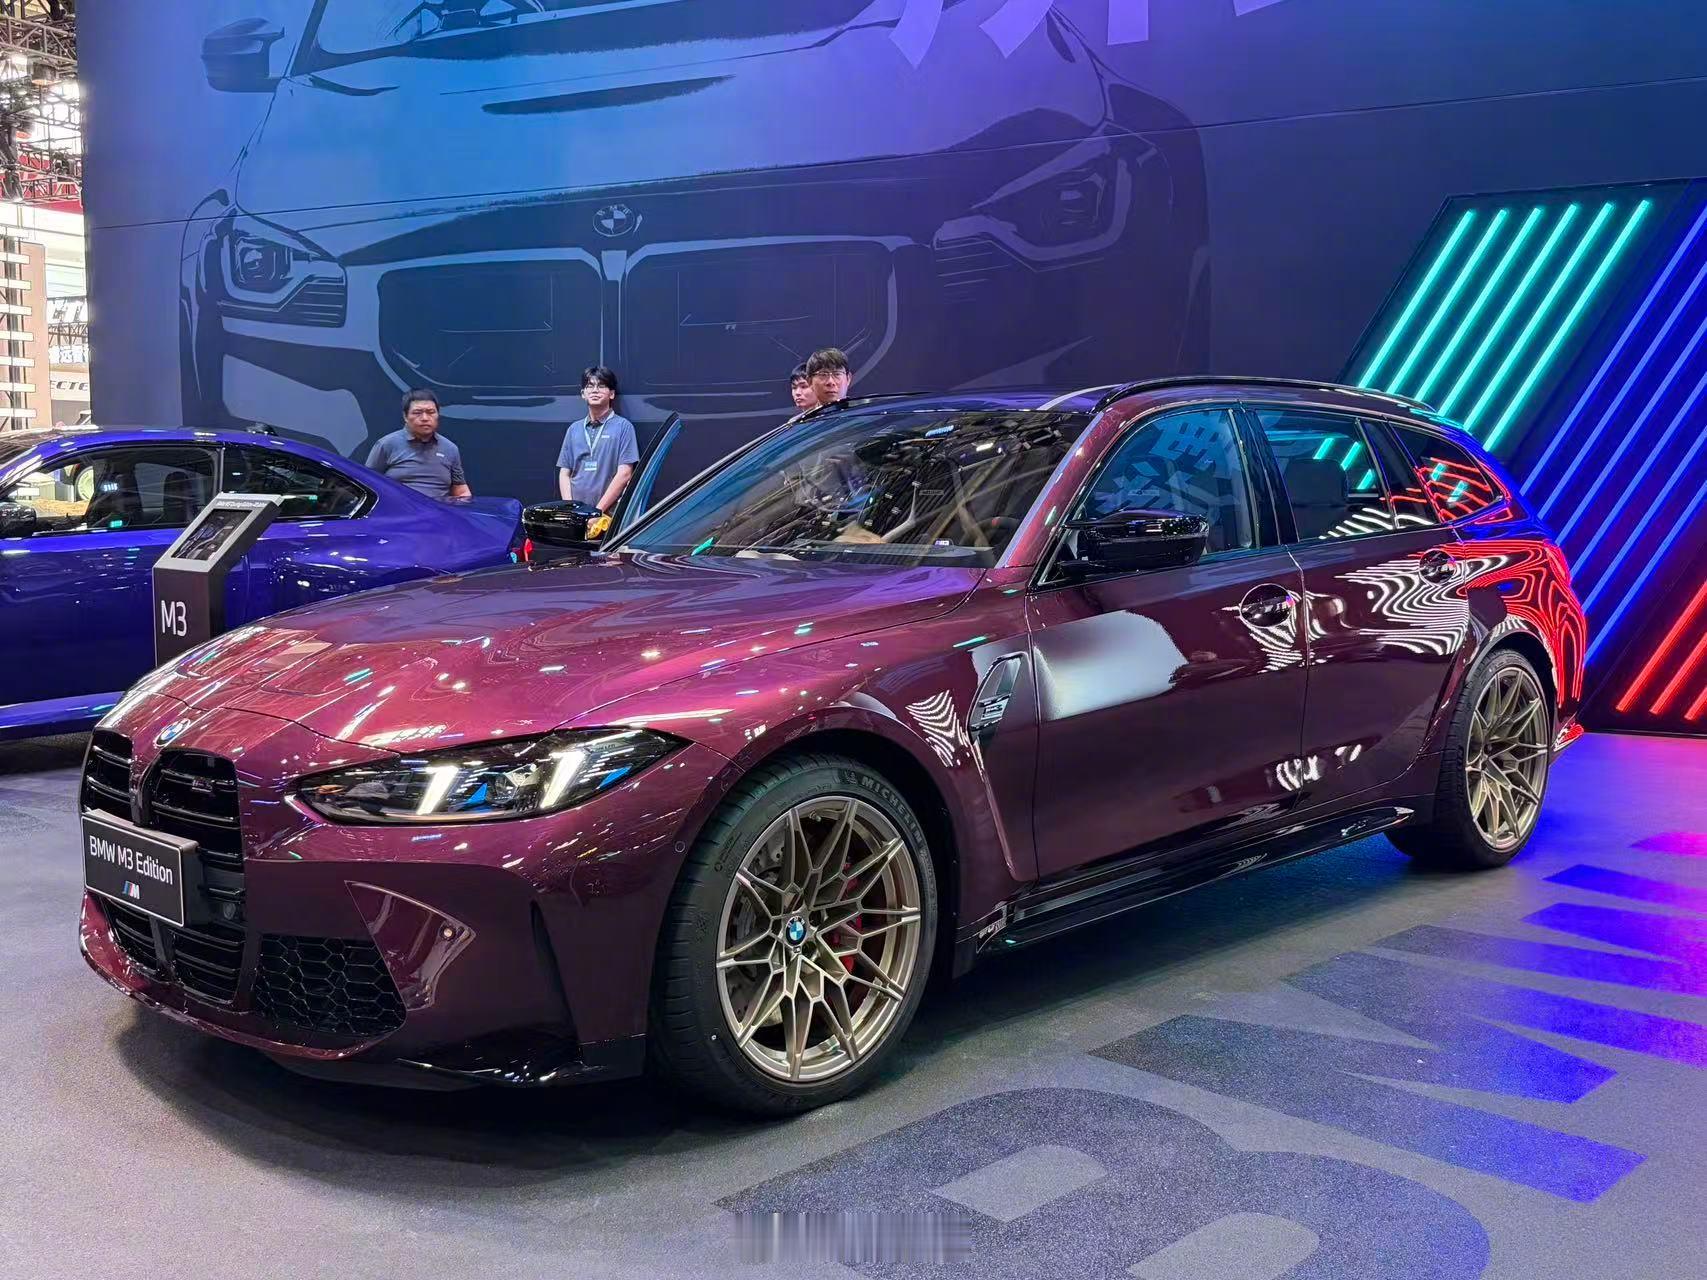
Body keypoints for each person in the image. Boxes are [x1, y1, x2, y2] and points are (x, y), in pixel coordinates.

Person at [557, 365, 639, 512]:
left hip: (607, 515)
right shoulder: (574, 429)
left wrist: (597, 512)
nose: (595, 390)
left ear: (611, 394)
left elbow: (625, 473)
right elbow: (564, 473)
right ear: (583, 393)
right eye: (590, 386)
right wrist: (571, 509)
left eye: (601, 386)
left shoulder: (624, 427)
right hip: (576, 515)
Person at [365, 389, 472, 501]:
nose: (425, 418)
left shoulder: (450, 448)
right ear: (405, 416)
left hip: (438, 509)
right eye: (417, 413)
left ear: (438, 415)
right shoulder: (387, 444)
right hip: (399, 508)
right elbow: (367, 483)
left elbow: (461, 490)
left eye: (431, 412)